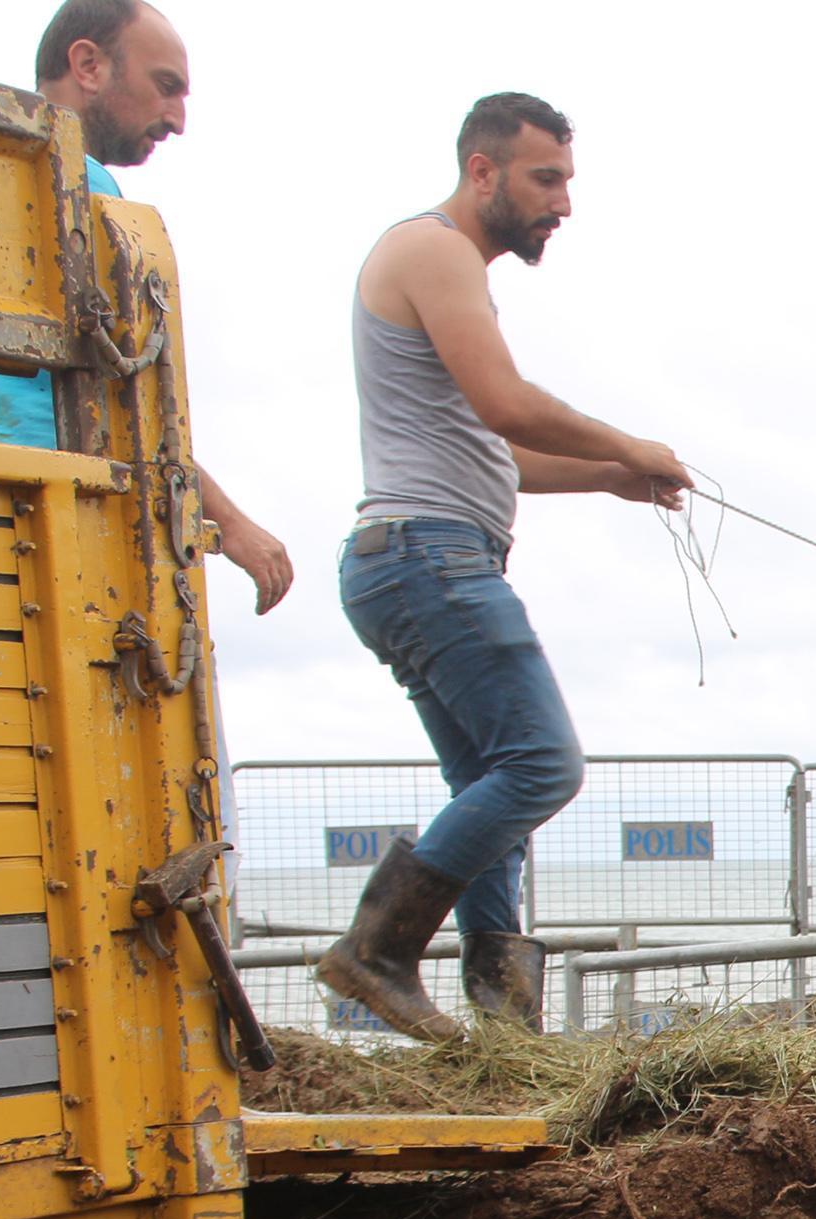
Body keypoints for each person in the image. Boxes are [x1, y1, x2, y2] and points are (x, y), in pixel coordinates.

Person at [316, 91, 691, 1038]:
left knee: (493, 792)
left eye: (566, 181)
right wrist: (631, 440)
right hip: (427, 557)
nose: (562, 204)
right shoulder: (433, 249)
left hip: (414, 558)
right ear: (482, 171)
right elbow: (506, 403)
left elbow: (503, 455)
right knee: (543, 764)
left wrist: (611, 478)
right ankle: (377, 952)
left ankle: (504, 1030)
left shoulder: (445, 268)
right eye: (546, 179)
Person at [0, 0, 295, 613]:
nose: (178, 119)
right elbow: (133, 398)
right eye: (166, 87)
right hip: (42, 516)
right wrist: (235, 525)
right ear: (87, 64)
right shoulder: (78, 185)